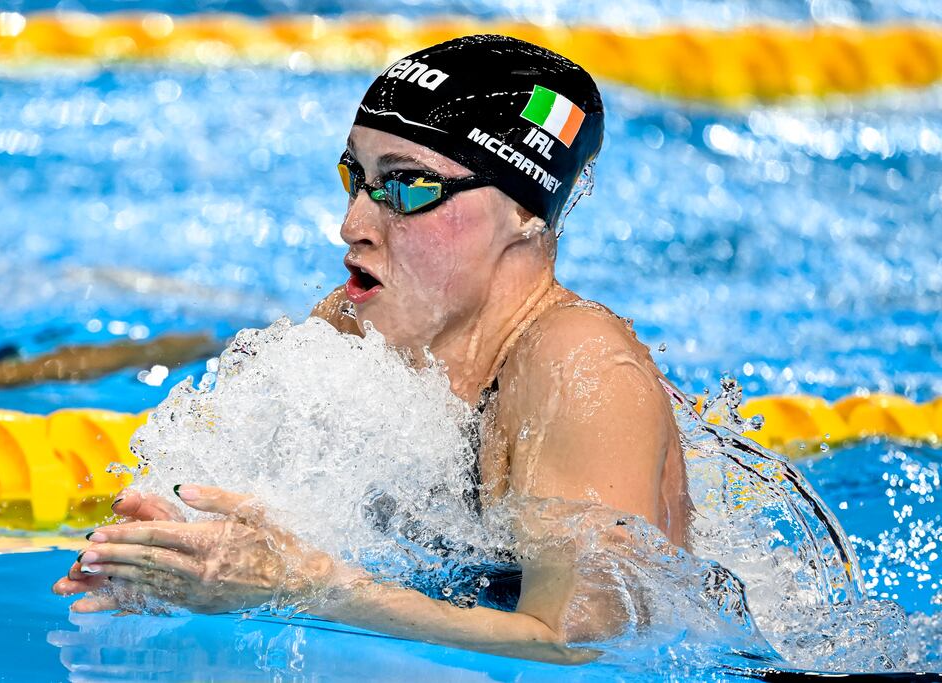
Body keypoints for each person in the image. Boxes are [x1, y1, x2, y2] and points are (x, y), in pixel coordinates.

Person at [52, 34, 692, 664]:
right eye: (355, 177)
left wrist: (307, 588)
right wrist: (176, 552)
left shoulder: (579, 366)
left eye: (409, 188)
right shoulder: (354, 326)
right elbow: (276, 535)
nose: (353, 224)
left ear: (523, 213)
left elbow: (580, 643)